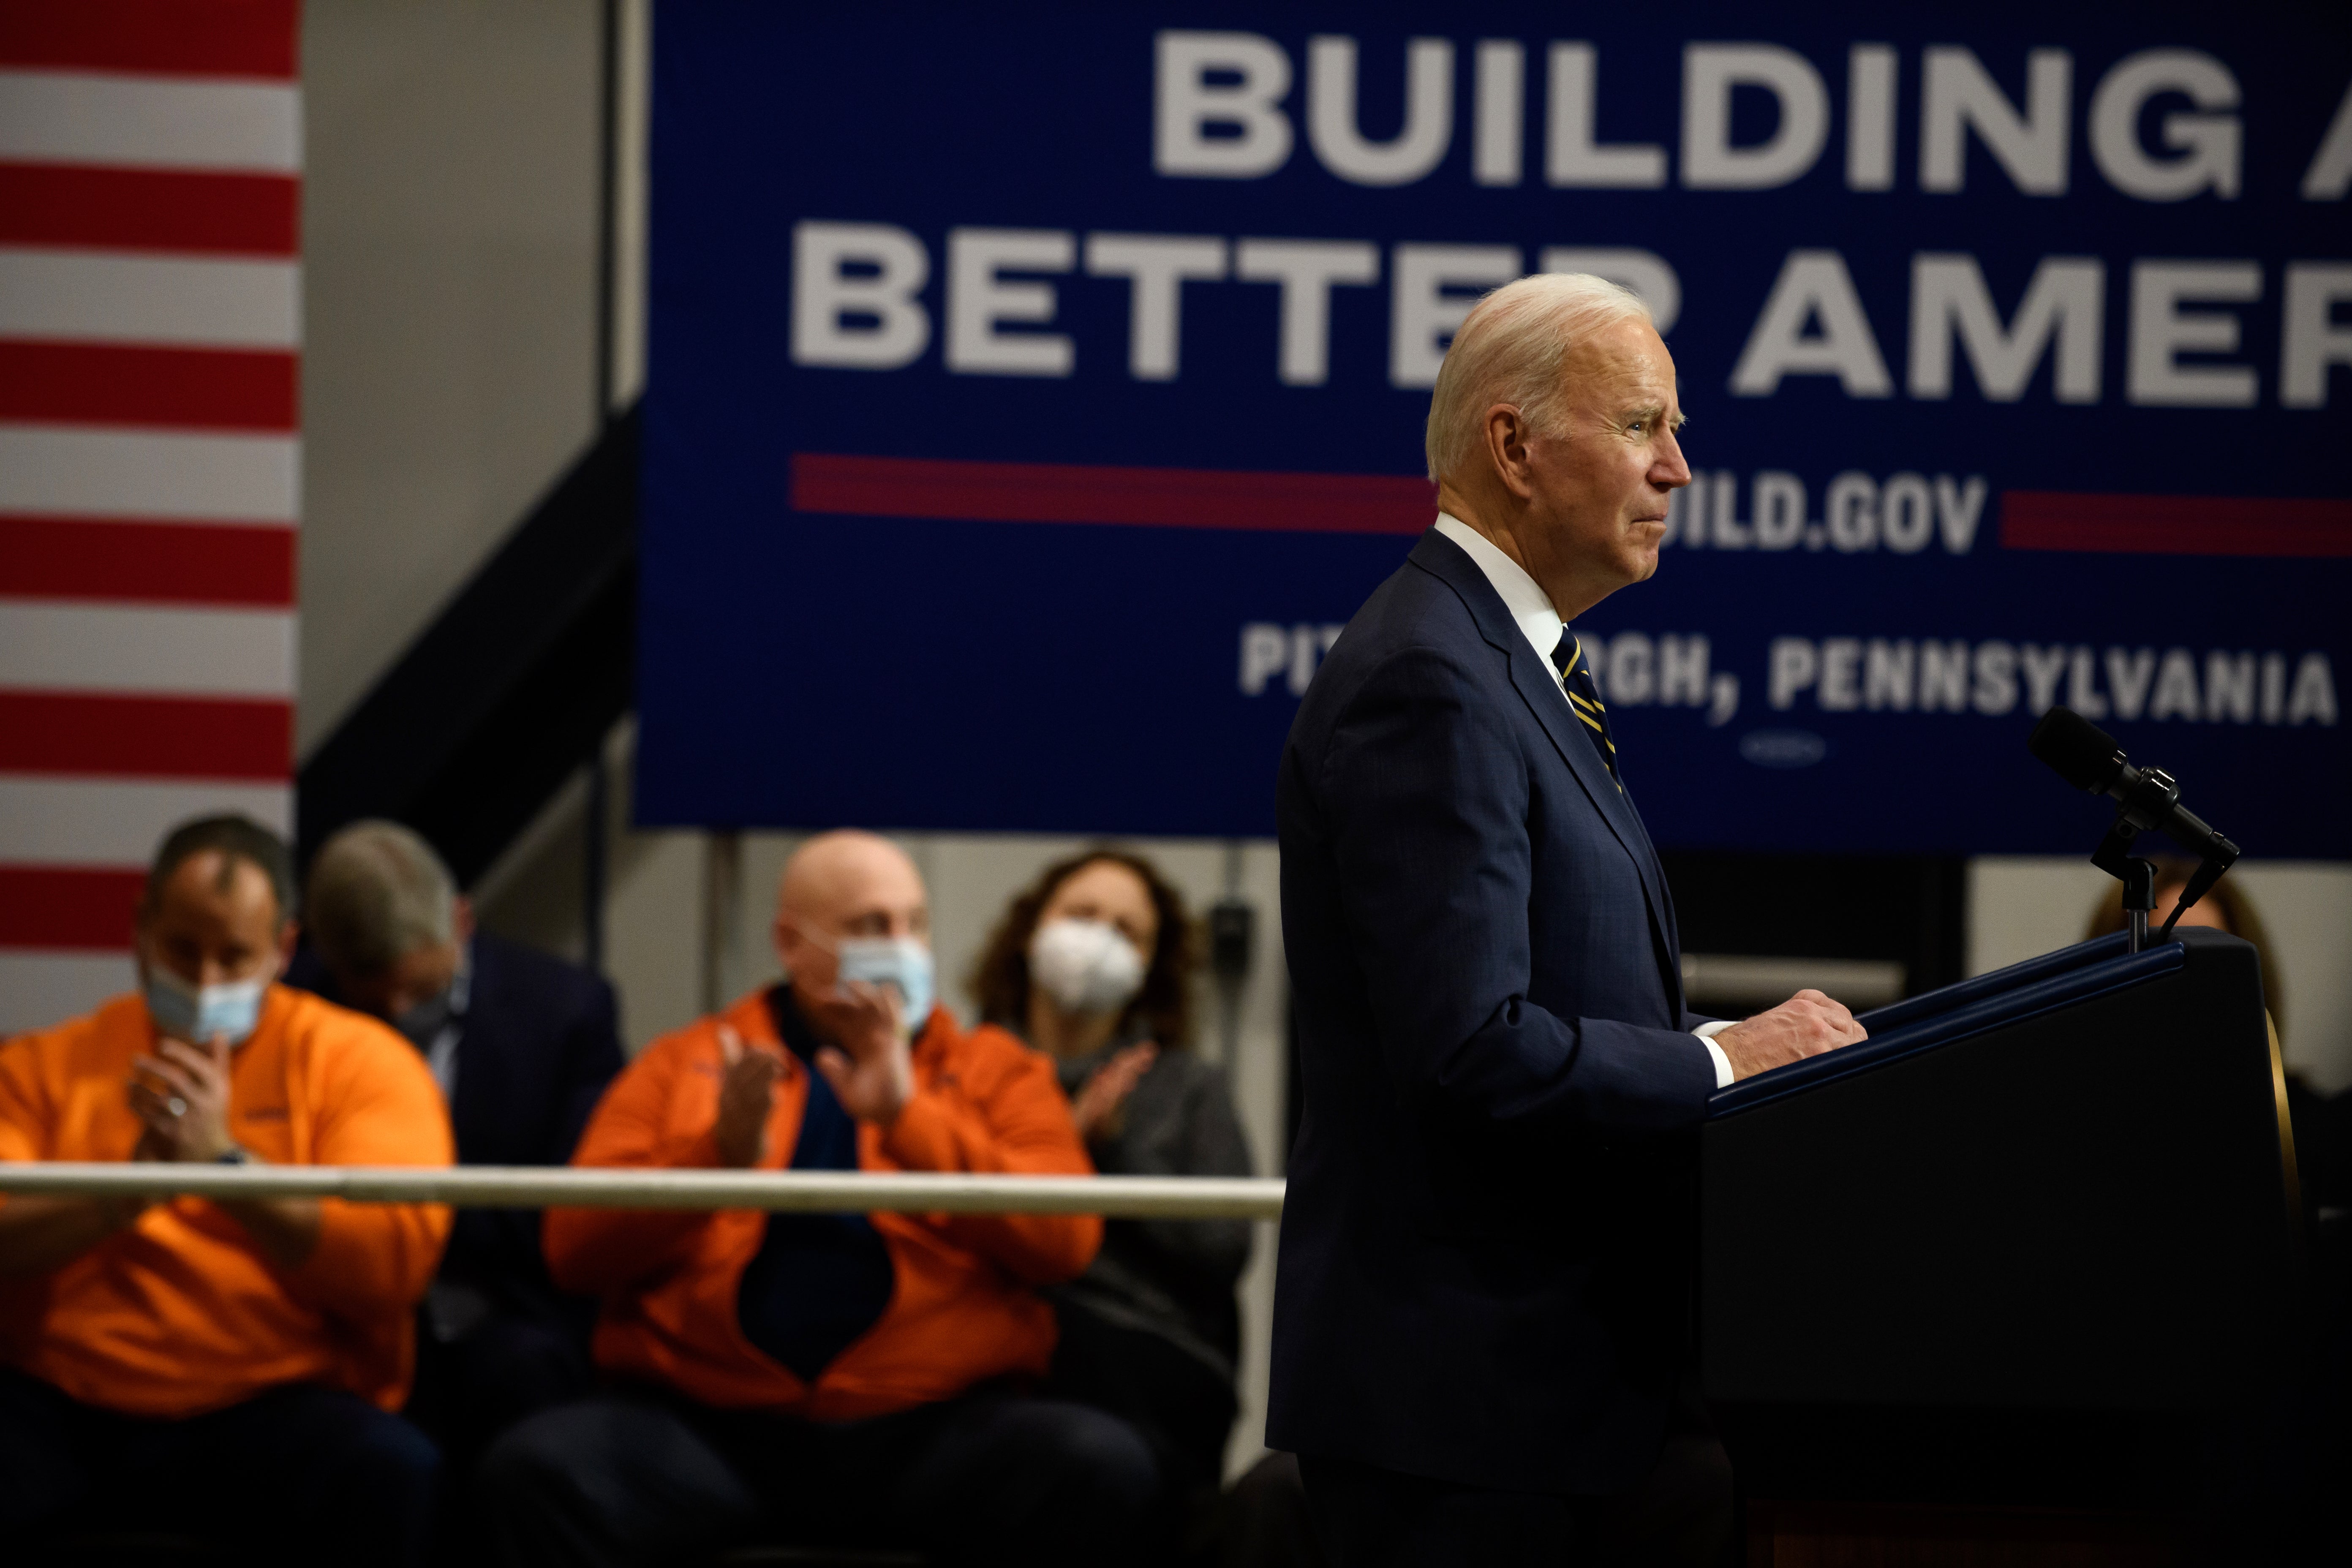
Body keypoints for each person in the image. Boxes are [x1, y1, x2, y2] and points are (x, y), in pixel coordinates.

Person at [1270, 273, 1868, 1565]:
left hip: (1552, 1406)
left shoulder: (1501, 660)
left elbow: (1553, 1004)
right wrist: (1721, 1058)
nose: (1680, 469)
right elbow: (1472, 1048)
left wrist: (1712, 1046)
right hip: (1466, 1423)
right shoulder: (1431, 678)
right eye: (1646, 424)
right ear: (1515, 447)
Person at [480, 830, 1157, 1567]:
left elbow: (1068, 1242)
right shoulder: (690, 1062)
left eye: (915, 924)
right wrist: (716, 1158)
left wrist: (908, 1120)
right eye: (871, 926)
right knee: (532, 1474)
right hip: (711, 1428)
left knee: (1100, 1468)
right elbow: (572, 1249)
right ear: (790, 943)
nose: (902, 947)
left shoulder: (996, 1069)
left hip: (935, 1426)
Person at [0, 814, 454, 1568]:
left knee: (393, 1473)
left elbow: (393, 1267)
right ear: (141, 931)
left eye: (234, 956)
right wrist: (129, 1192)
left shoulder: (362, 1066)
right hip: (64, 1402)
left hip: (275, 1402)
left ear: (282, 949)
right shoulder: (45, 1066)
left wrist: (224, 1168)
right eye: (183, 950)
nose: (205, 982)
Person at [293, 819, 626, 1470]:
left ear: (462, 922)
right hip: (340, 1321)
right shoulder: (297, 1009)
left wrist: (406, 1225)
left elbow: (573, 1210)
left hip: (505, 1310)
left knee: (528, 1390)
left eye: (420, 991)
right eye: (372, 994)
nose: (397, 1011)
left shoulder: (566, 1011)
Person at [969, 849, 1255, 1550]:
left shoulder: (1189, 1086)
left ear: (1153, 966)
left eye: (1128, 931)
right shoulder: (964, 1067)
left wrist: (1112, 1153)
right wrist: (1054, 1148)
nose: (1099, 940)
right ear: (1032, 929)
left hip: (1147, 1357)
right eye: (1082, 915)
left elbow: (1226, 1247)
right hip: (989, 1348)